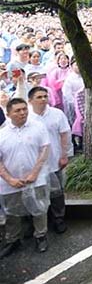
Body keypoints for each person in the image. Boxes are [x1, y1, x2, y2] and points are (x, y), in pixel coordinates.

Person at [0, 98, 50, 257]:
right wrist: (9, 179)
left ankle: (41, 236)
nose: (22, 113)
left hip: (36, 178)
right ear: (8, 114)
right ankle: (13, 240)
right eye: (17, 110)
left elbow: (44, 150)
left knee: (39, 209)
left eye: (24, 109)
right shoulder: (2, 134)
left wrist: (35, 173)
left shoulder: (38, 127)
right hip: (10, 183)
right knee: (11, 213)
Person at [27, 86, 70, 234]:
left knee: (57, 193)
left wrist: (64, 155)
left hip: (54, 160)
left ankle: (59, 218)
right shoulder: (27, 117)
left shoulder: (57, 114)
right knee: (37, 193)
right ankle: (39, 223)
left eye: (45, 96)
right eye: (39, 97)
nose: (43, 99)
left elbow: (64, 134)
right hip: (34, 165)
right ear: (30, 100)